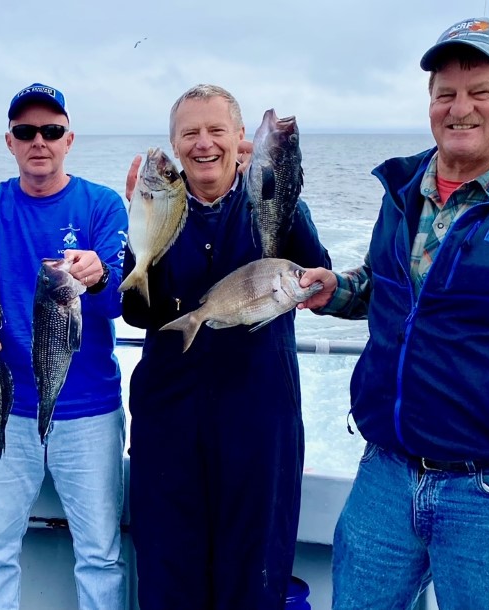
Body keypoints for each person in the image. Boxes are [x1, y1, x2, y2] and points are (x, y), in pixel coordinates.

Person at [300, 17, 489, 609]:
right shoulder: (405, 187)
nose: (459, 108)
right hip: (386, 475)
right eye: (446, 93)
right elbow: (394, 289)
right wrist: (337, 289)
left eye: (480, 91)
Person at [120, 83, 330, 610]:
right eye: (189, 133)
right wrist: (139, 221)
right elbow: (136, 313)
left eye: (216, 130)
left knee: (254, 575)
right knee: (169, 576)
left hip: (259, 420)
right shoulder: (156, 207)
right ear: (174, 144)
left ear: (241, 139)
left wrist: (285, 196)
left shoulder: (272, 199)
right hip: (168, 422)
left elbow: (317, 284)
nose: (203, 143)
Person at [0, 83, 128, 609]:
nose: (38, 141)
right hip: (7, 403)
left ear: (69, 139)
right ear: (10, 141)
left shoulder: (102, 205)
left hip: (89, 410)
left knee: (101, 553)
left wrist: (99, 275)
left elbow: (119, 301)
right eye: (25, 131)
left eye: (51, 130)